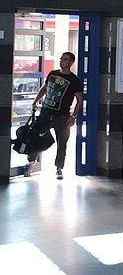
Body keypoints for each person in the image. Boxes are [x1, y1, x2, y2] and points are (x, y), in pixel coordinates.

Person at [30, 51, 84, 180]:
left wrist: (73, 116)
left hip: (62, 116)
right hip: (46, 112)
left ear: (71, 62)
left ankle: (59, 167)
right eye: (61, 59)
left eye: (65, 59)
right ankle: (31, 160)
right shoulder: (53, 74)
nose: (62, 61)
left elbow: (80, 100)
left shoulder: (74, 80)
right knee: (36, 136)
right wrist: (36, 100)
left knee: (62, 142)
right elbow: (45, 88)